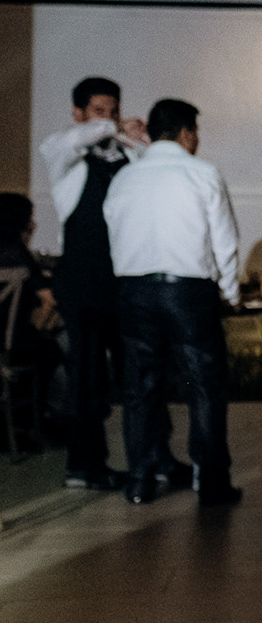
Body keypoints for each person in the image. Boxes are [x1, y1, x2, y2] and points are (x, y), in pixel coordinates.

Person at [103, 99, 243, 506]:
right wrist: (231, 292)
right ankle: (211, 482)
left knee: (139, 388)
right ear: (186, 133)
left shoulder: (124, 177)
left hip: (133, 290)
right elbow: (224, 240)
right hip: (188, 292)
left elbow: (114, 233)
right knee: (204, 385)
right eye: (195, 132)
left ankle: (140, 480)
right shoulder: (202, 172)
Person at [38, 76, 145, 489]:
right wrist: (112, 127)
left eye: (114, 111)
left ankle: (148, 461)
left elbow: (153, 163)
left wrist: (136, 138)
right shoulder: (64, 155)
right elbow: (72, 140)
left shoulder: (124, 152)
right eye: (99, 111)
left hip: (123, 279)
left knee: (136, 371)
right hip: (82, 282)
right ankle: (84, 467)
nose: (108, 119)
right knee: (87, 377)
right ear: (78, 113)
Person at [0, 193, 62, 433]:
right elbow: (49, 300)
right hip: (9, 343)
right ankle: (30, 418)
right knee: (51, 349)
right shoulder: (18, 255)